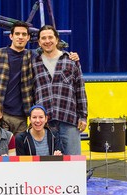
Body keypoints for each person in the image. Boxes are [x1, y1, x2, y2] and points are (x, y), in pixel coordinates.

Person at [0, 21, 80, 135]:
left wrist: (70, 55)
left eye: (24, 34)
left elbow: (52, 51)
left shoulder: (33, 56)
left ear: (28, 37)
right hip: (1, 113)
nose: (20, 37)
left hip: (22, 116)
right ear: (11, 36)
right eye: (17, 34)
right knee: (0, 149)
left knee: (19, 151)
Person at [32, 25, 88, 155]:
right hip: (45, 123)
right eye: (43, 38)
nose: (47, 41)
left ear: (57, 40)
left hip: (68, 118)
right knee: (46, 165)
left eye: (50, 37)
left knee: (73, 162)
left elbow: (80, 89)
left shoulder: (71, 60)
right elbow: (30, 91)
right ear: (39, 42)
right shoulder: (34, 62)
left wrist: (83, 116)